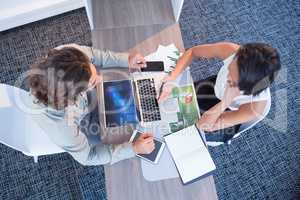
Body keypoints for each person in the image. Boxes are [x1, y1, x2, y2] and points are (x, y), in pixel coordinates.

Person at [27, 43, 155, 165]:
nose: (100, 79)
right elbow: (89, 157)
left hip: (83, 104)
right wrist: (133, 149)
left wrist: (126, 59)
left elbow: (94, 54)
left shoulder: (68, 55)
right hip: (82, 123)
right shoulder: (63, 127)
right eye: (93, 82)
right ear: (73, 96)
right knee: (122, 132)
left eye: (92, 68)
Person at [158, 42, 281, 143]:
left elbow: (204, 125)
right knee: (174, 99)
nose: (228, 76)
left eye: (233, 80)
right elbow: (193, 51)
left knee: (187, 135)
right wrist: (172, 76)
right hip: (216, 88)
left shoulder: (255, 107)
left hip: (229, 111)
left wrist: (225, 102)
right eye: (231, 67)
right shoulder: (233, 51)